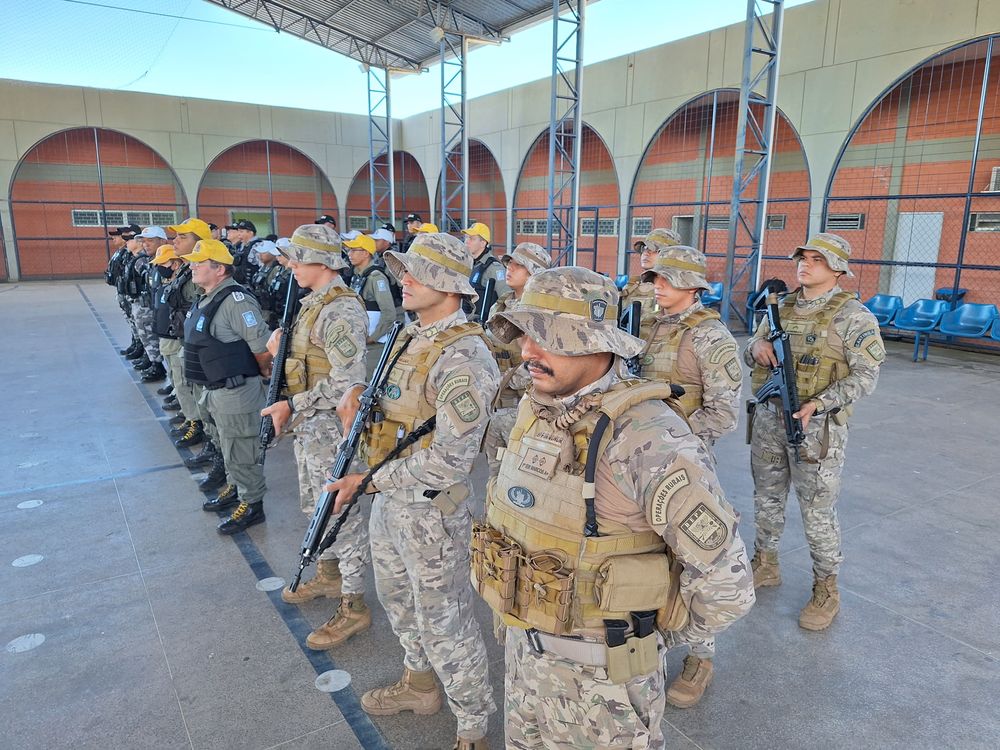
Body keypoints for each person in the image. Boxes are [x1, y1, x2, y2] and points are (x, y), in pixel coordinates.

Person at [477, 266, 754, 749]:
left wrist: (653, 637)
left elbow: (728, 583)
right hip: (524, 656)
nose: (527, 350)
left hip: (603, 686)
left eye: (548, 337)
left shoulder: (648, 437)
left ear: (598, 342)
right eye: (525, 334)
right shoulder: (537, 405)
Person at [325, 232, 499, 750]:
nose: (403, 279)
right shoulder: (410, 335)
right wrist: (359, 401)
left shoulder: (465, 357)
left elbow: (452, 458)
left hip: (430, 512)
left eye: (416, 273)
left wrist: (370, 480)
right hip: (389, 499)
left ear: (447, 285)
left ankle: (472, 724)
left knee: (444, 618)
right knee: (400, 602)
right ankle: (421, 686)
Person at [745, 233, 884, 631]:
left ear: (838, 270)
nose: (804, 265)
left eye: (816, 260)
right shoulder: (780, 306)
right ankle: (766, 563)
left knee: (817, 511)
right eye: (802, 258)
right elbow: (752, 345)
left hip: (818, 429)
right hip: (771, 418)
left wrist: (818, 404)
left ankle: (826, 586)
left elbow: (866, 377)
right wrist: (756, 350)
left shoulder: (853, 316)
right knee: (767, 497)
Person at [637, 243, 743, 708]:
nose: (656, 284)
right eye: (656, 277)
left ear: (694, 286)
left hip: (687, 465)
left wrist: (670, 438)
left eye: (667, 278)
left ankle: (701, 654)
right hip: (640, 463)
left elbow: (723, 415)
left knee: (695, 557)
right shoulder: (651, 326)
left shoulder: (710, 338)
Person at [257, 225, 372, 648]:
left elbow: (350, 381)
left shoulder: (339, 310)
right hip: (311, 428)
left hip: (329, 428)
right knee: (314, 504)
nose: (291, 265)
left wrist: (294, 405)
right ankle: (328, 575)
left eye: (299, 258)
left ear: (323, 263)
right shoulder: (311, 305)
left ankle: (354, 603)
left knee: (341, 514)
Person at [181, 239, 273, 534]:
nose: (192, 266)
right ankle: (235, 487)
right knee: (225, 444)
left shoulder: (236, 301)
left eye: (200, 262)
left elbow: (262, 345)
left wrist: (260, 371)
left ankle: (252, 503)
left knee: (241, 449)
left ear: (219, 269)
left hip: (236, 392)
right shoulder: (206, 296)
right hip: (213, 390)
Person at [481, 241, 552, 478]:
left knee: (522, 478)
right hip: (496, 404)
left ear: (535, 273)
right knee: (494, 474)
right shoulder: (500, 304)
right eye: (509, 263)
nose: (510, 268)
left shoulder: (542, 311)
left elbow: (542, 361)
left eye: (519, 265)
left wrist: (500, 380)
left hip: (524, 406)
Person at [344, 233, 397, 377]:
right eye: (350, 250)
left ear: (366, 253)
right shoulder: (357, 276)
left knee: (367, 380)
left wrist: (374, 337)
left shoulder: (376, 278)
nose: (350, 254)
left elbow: (389, 313)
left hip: (374, 344)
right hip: (361, 341)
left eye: (354, 250)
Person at [622, 228, 681, 339]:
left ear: (670, 254)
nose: (646, 253)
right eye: (644, 248)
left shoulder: (678, 289)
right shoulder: (632, 286)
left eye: (655, 249)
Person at [132, 226, 169, 382]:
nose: (146, 244)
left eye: (151, 241)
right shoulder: (151, 262)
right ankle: (158, 367)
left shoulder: (169, 262)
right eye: (144, 241)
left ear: (163, 241)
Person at [461, 222, 510, 317]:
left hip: (483, 326)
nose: (467, 241)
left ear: (483, 243)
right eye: (466, 237)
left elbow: (506, 299)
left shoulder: (494, 268)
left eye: (472, 238)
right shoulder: (469, 264)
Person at [249, 240, 284, 329]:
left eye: (263, 252)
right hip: (260, 307)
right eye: (259, 253)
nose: (260, 255)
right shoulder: (262, 268)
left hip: (270, 311)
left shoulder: (277, 270)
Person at [225, 219, 262, 285]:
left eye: (241, 231)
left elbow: (261, 267)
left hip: (251, 285)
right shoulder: (240, 246)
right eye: (238, 231)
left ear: (250, 233)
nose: (239, 234)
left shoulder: (257, 246)